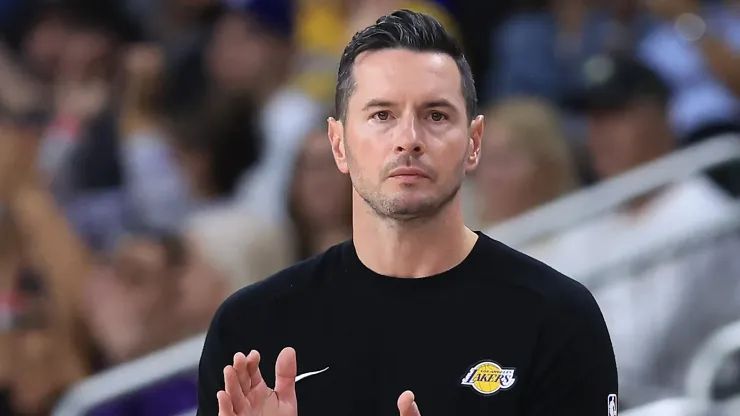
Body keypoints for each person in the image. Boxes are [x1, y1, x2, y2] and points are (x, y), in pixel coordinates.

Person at [196, 10, 618, 416]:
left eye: (436, 115)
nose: (409, 139)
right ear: (339, 143)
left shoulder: (556, 319)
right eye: (382, 115)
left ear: (474, 143)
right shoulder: (250, 330)